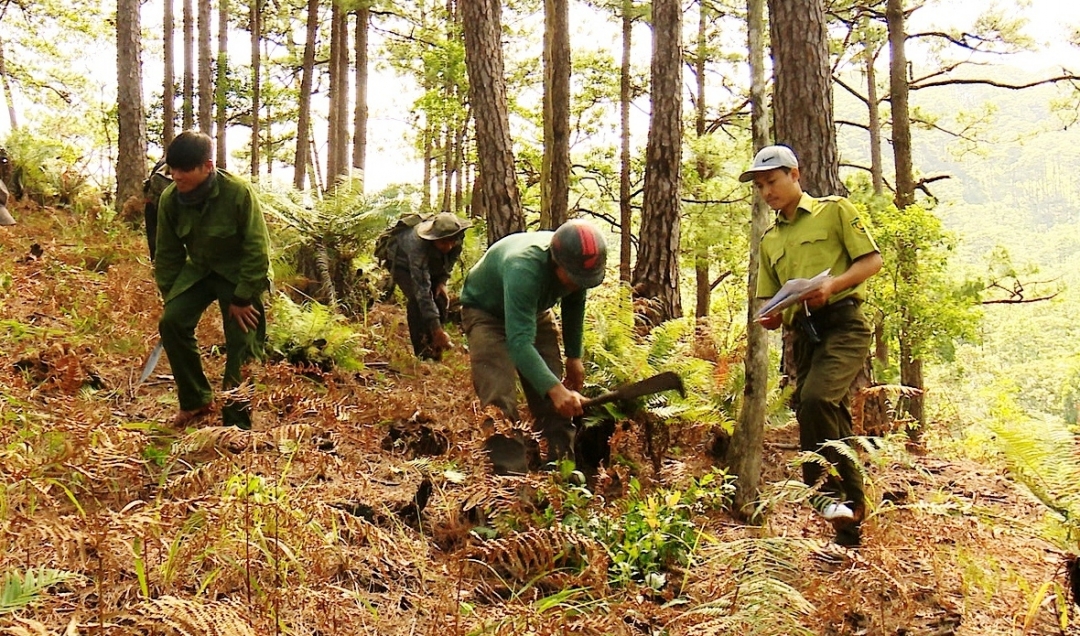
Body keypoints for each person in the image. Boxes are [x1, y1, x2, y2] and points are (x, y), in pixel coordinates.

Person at [741, 144, 883, 547]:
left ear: (795, 175)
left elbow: (872, 262)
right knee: (828, 415)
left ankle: (821, 493)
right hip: (804, 335)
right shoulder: (770, 241)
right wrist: (771, 316)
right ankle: (850, 520)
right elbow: (769, 302)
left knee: (815, 400)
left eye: (772, 181)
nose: (767, 192)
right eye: (760, 186)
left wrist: (831, 286)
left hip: (844, 324)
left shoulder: (834, 210)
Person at [460, 220, 607, 464]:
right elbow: (519, 343)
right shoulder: (524, 268)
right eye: (573, 278)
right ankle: (509, 481)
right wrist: (556, 389)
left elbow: (574, 305)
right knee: (499, 395)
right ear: (555, 262)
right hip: (487, 313)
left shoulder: (578, 266)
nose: (576, 283)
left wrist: (573, 356)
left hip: (533, 310)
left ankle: (564, 470)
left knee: (554, 396)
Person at [154, 131, 271, 429]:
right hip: (201, 271)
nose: (176, 176)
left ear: (207, 166)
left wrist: (243, 297)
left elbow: (257, 250)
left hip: (241, 274)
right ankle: (196, 400)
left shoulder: (238, 193)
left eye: (184, 170)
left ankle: (236, 422)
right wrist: (172, 297)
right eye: (173, 169)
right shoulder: (170, 199)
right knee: (172, 322)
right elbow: (167, 255)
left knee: (243, 342)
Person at [381, 212, 472, 360]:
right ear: (434, 237)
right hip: (402, 265)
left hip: (432, 263)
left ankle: (437, 346)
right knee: (417, 302)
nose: (448, 246)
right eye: (443, 242)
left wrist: (442, 281)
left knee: (440, 298)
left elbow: (450, 260)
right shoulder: (417, 245)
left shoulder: (457, 236)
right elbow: (422, 290)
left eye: (451, 241)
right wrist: (436, 329)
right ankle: (424, 353)